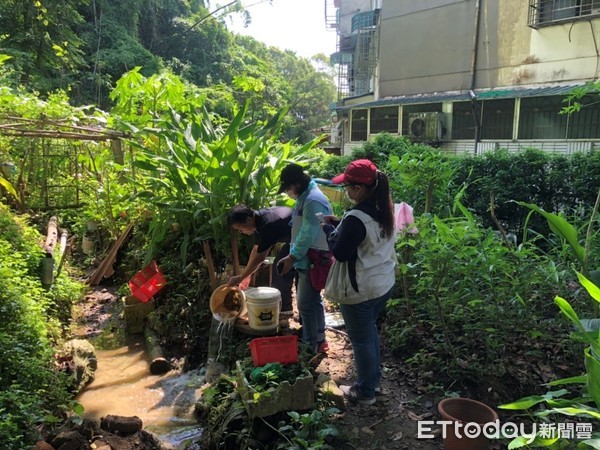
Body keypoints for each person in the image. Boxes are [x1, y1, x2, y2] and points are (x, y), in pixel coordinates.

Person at [322, 159, 396, 406]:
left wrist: (328, 232)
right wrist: (339, 226)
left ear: (359, 188)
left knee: (362, 339)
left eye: (348, 187)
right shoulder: (383, 208)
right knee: (369, 333)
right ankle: (373, 381)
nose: (346, 191)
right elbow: (363, 239)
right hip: (382, 284)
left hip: (360, 290)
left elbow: (342, 253)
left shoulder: (356, 217)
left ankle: (365, 392)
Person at [276, 163, 332, 354]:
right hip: (306, 258)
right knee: (313, 300)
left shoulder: (313, 200)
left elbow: (308, 233)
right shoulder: (305, 196)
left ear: (298, 183)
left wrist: (292, 256)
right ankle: (319, 339)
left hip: (312, 259)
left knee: (305, 304)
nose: (289, 192)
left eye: (289, 187)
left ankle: (310, 345)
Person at [226, 205, 295, 317]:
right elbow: (256, 250)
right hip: (294, 240)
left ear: (248, 219)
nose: (241, 232)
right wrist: (246, 275)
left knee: (282, 269)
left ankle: (286, 311)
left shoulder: (267, 225)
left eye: (240, 228)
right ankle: (286, 309)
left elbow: (260, 257)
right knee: (280, 266)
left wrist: (241, 277)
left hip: (308, 240)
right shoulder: (258, 220)